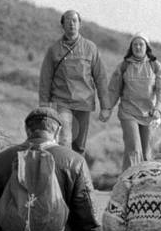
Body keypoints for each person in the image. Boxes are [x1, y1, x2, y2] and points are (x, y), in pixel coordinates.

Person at [38, 9, 109, 155]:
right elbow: (45, 79)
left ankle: (74, 174)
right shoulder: (54, 50)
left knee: (79, 146)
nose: (71, 24)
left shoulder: (90, 48)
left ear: (80, 24)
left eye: (75, 21)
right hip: (62, 102)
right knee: (64, 140)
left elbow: (100, 77)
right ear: (62, 25)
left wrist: (105, 106)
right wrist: (44, 105)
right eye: (68, 21)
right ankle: (63, 172)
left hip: (84, 103)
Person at [100, 33, 161, 171]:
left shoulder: (155, 66)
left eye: (141, 44)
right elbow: (113, 89)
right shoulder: (124, 66)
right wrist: (107, 108)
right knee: (134, 148)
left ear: (147, 47)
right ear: (131, 47)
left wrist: (159, 109)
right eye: (135, 44)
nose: (138, 47)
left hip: (149, 114)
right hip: (128, 112)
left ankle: (144, 182)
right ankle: (128, 181)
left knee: (146, 153)